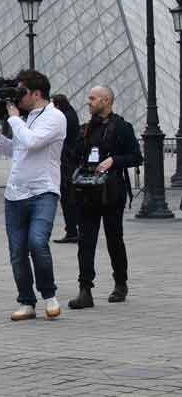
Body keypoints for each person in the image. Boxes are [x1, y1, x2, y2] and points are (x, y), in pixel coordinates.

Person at [0, 69, 66, 321]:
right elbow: (16, 149)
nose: (18, 98)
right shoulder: (26, 117)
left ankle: (49, 296)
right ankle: (26, 302)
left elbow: (31, 142)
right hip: (15, 194)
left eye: (22, 92)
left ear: (37, 93)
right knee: (17, 251)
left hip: (43, 192)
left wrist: (14, 118)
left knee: (37, 243)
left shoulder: (55, 117)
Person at [68, 86, 140, 309]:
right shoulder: (86, 129)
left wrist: (114, 161)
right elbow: (73, 156)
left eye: (92, 98)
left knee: (114, 239)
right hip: (87, 192)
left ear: (106, 100)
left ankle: (120, 283)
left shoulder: (122, 127)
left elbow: (137, 156)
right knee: (85, 241)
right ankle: (85, 290)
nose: (87, 101)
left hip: (112, 192)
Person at [52, 94, 82, 244]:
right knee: (70, 197)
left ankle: (72, 231)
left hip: (67, 163)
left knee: (68, 197)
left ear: (58, 105)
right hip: (70, 162)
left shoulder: (65, 117)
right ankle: (73, 230)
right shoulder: (71, 114)